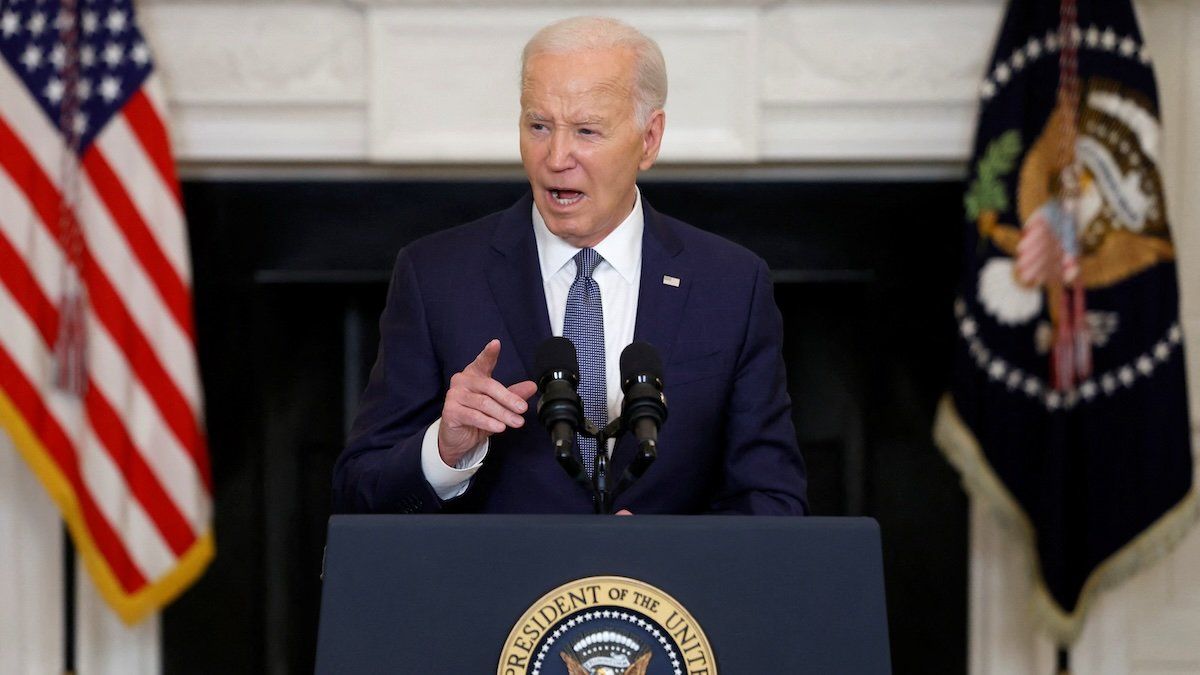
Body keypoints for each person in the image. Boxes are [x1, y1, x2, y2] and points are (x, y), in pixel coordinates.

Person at [332, 16, 807, 515]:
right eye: (539, 126)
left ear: (649, 138)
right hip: (500, 590)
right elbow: (359, 492)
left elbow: (772, 499)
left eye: (586, 130)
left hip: (664, 594)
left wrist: (674, 553)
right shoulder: (437, 277)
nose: (556, 156)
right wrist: (445, 450)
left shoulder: (731, 284)